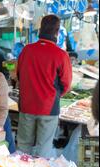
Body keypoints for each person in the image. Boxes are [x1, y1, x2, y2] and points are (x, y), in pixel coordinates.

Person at [16, 14, 72, 158]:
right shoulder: (61, 55)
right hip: (49, 107)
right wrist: (55, 95)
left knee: (23, 145)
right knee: (43, 148)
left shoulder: (27, 50)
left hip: (27, 106)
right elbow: (66, 84)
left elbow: (18, 75)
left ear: (40, 29)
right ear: (57, 32)